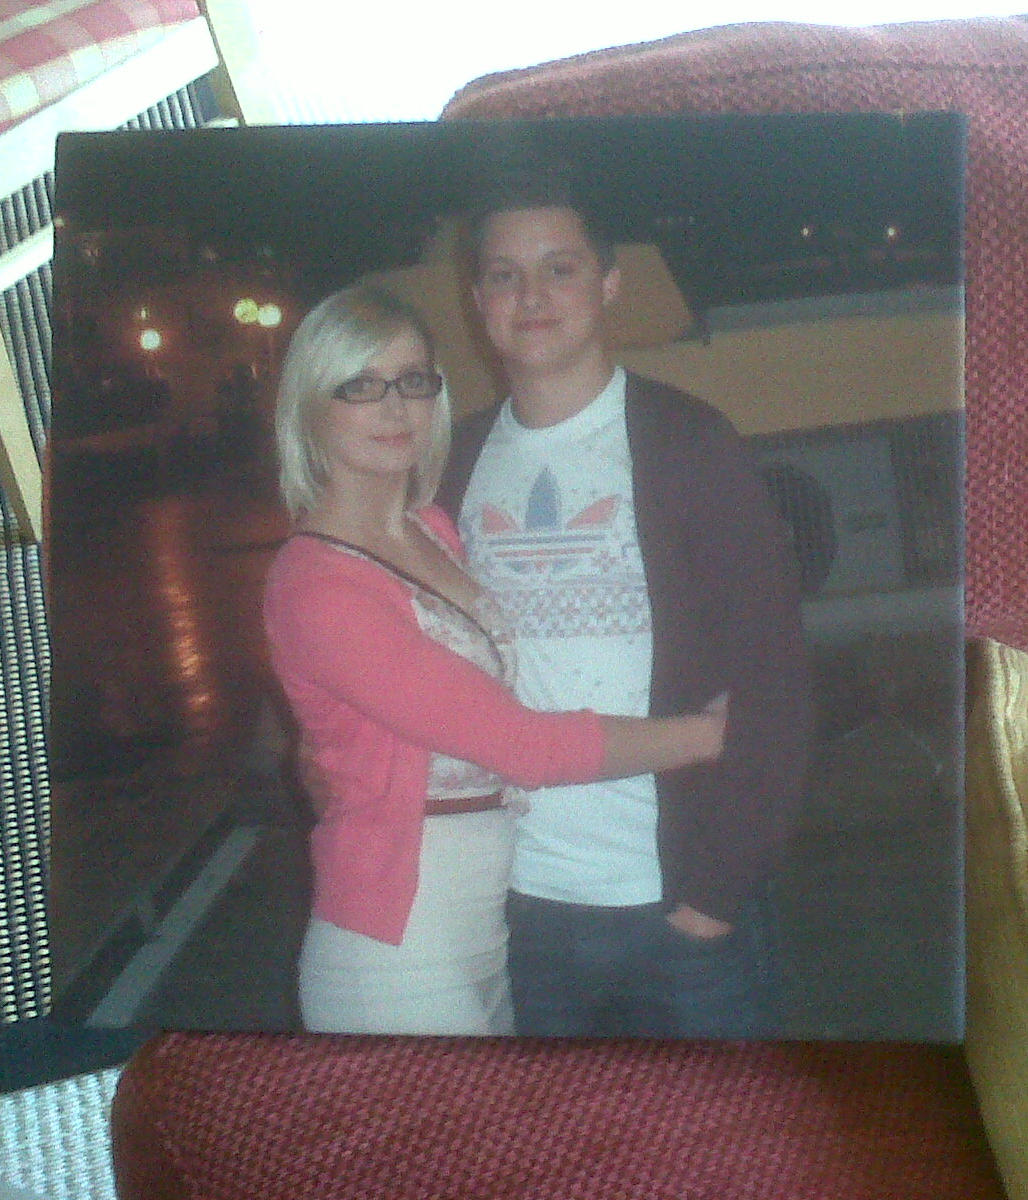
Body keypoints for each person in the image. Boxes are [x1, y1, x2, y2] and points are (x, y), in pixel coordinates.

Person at [263, 283, 729, 1037]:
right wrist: (708, 735)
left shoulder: (432, 530)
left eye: (414, 380)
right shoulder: (315, 584)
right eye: (361, 386)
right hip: (393, 950)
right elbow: (523, 745)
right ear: (312, 406)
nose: (395, 407)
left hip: (488, 933)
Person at [435, 158, 813, 1038]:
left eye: (559, 268)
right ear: (479, 301)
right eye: (504, 275)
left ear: (608, 284)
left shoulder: (690, 444)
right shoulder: (451, 464)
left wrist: (712, 898)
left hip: (678, 913)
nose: (531, 295)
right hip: (517, 911)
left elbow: (775, 680)